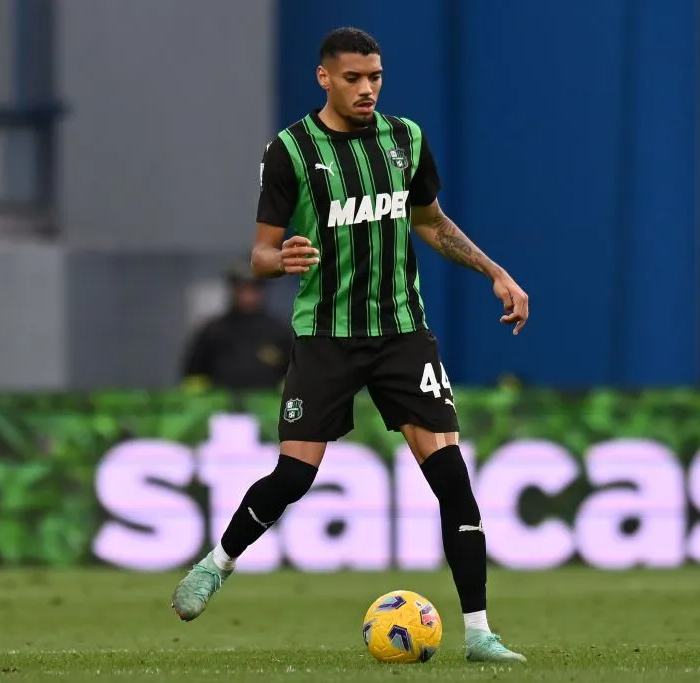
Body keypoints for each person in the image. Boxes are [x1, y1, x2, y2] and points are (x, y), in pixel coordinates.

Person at [171, 27, 530, 663]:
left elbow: (430, 222)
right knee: (292, 477)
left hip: (400, 332)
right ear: (324, 78)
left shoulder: (405, 140)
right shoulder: (290, 151)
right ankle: (218, 563)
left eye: (376, 77)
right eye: (354, 79)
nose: (367, 90)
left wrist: (496, 272)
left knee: (452, 478)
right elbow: (257, 252)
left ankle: (478, 633)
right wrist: (277, 259)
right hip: (325, 337)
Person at [180, 262, 292, 391]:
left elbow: (294, 374)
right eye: (241, 290)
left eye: (253, 290)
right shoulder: (213, 331)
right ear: (233, 291)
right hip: (220, 407)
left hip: (269, 407)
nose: (247, 296)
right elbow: (193, 374)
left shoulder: (279, 331)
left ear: (262, 292)